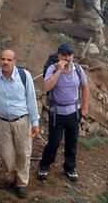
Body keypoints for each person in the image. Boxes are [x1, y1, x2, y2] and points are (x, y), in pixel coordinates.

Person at [0, 49, 40, 199]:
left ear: (15, 62)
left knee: (24, 152)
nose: (5, 62)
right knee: (6, 152)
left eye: (9, 60)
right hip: (2, 122)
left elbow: (32, 100)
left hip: (22, 121)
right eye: (3, 59)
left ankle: (22, 183)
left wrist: (35, 122)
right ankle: (10, 177)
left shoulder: (24, 76)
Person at [37, 43, 89, 183]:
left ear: (72, 56)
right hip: (57, 114)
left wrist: (85, 107)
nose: (67, 58)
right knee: (54, 142)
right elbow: (47, 86)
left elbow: (85, 87)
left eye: (69, 55)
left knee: (72, 142)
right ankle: (44, 166)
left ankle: (70, 169)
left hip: (73, 112)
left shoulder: (78, 69)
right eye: (63, 56)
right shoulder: (52, 69)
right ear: (58, 56)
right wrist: (59, 71)